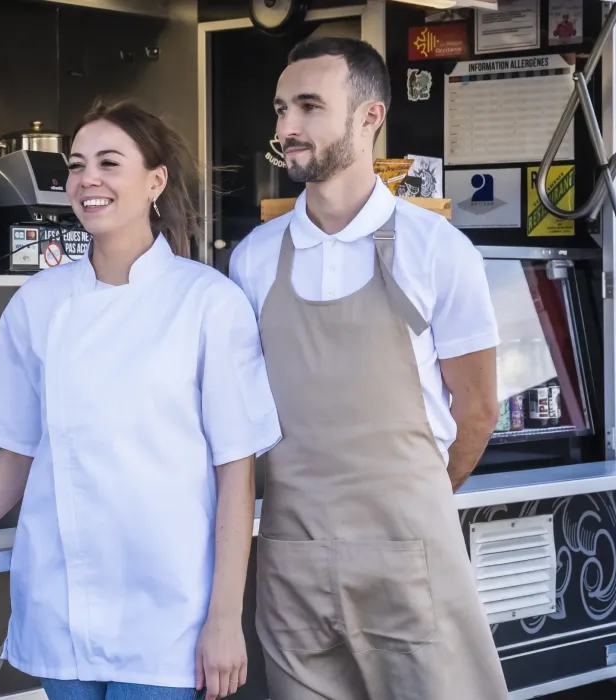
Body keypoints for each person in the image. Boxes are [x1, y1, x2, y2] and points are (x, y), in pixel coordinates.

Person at [0, 100, 282, 700]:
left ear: (156, 181)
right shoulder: (38, 302)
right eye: (76, 165)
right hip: (60, 598)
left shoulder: (208, 302)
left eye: (109, 163)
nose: (88, 179)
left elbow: (235, 471)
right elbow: (19, 449)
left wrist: (225, 618)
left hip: (169, 608)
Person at [229, 37, 509, 700]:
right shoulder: (253, 260)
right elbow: (240, 419)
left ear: (369, 117)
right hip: (292, 560)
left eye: (309, 107)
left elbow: (477, 410)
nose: (287, 127)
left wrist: (411, 508)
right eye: (281, 109)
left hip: (409, 555)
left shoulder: (438, 251)